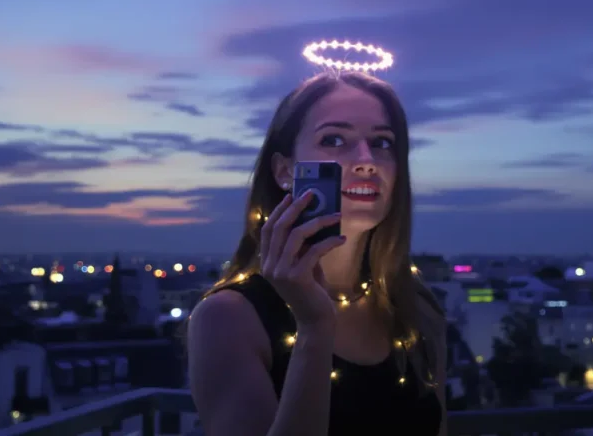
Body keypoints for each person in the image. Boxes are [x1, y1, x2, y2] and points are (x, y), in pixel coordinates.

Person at [187, 71, 446, 436]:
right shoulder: (229, 318)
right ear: (284, 171)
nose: (365, 159)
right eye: (335, 139)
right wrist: (314, 327)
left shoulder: (413, 309)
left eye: (383, 143)